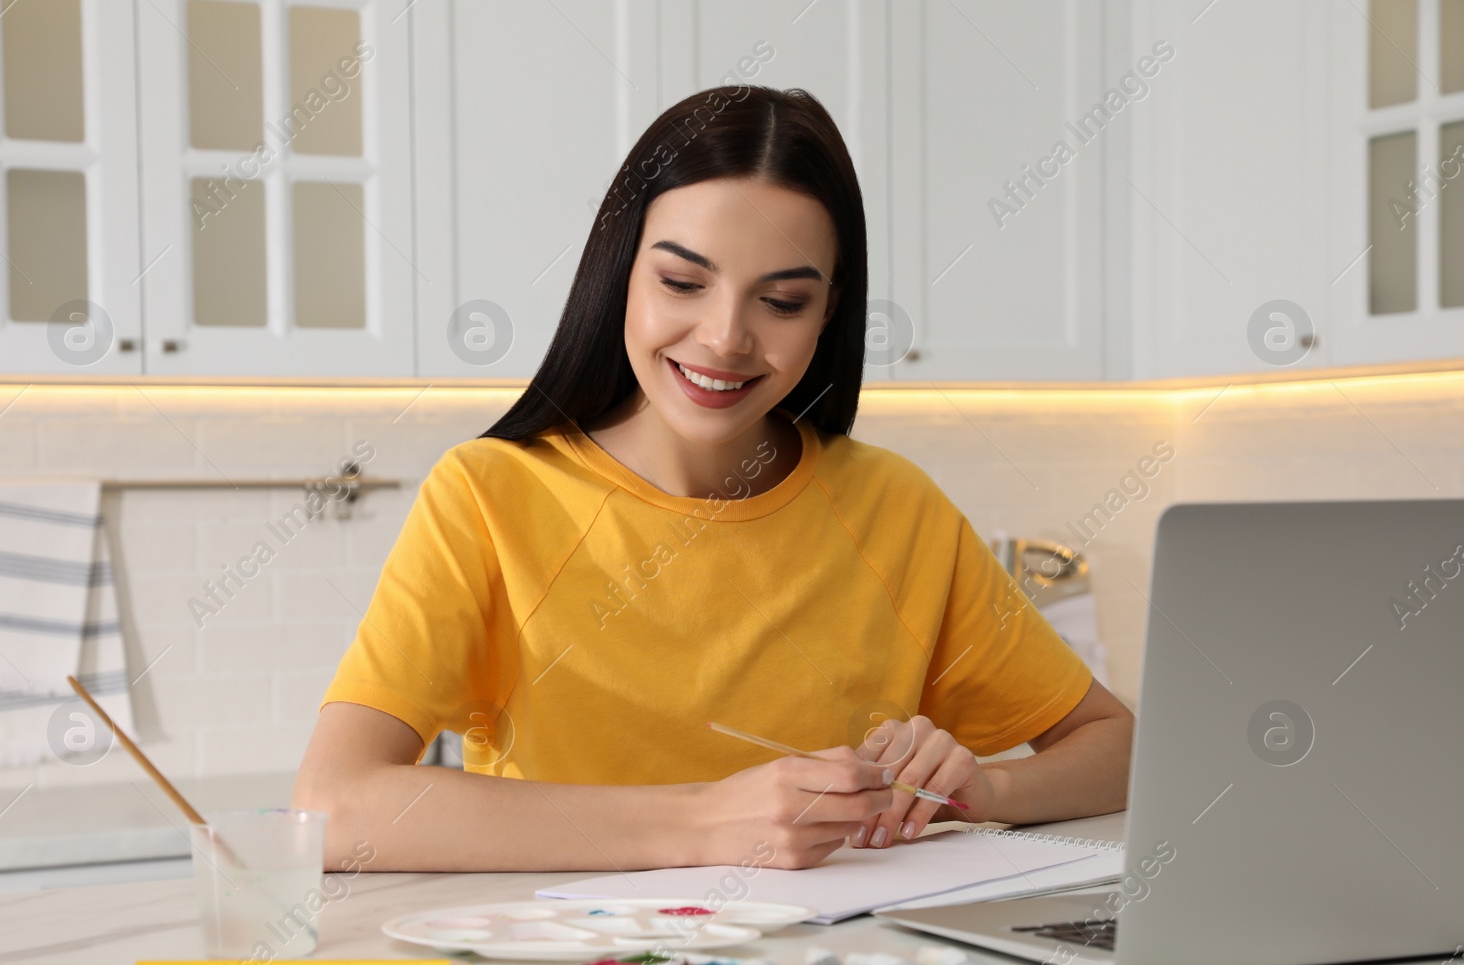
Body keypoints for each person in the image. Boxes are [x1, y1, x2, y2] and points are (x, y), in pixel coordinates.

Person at [293, 85, 1132, 872]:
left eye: (783, 302)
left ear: (830, 311)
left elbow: (1119, 747)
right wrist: (706, 824)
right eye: (683, 282)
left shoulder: (895, 506)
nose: (726, 338)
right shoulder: (487, 494)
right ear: (620, 271)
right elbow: (334, 807)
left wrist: (985, 789)